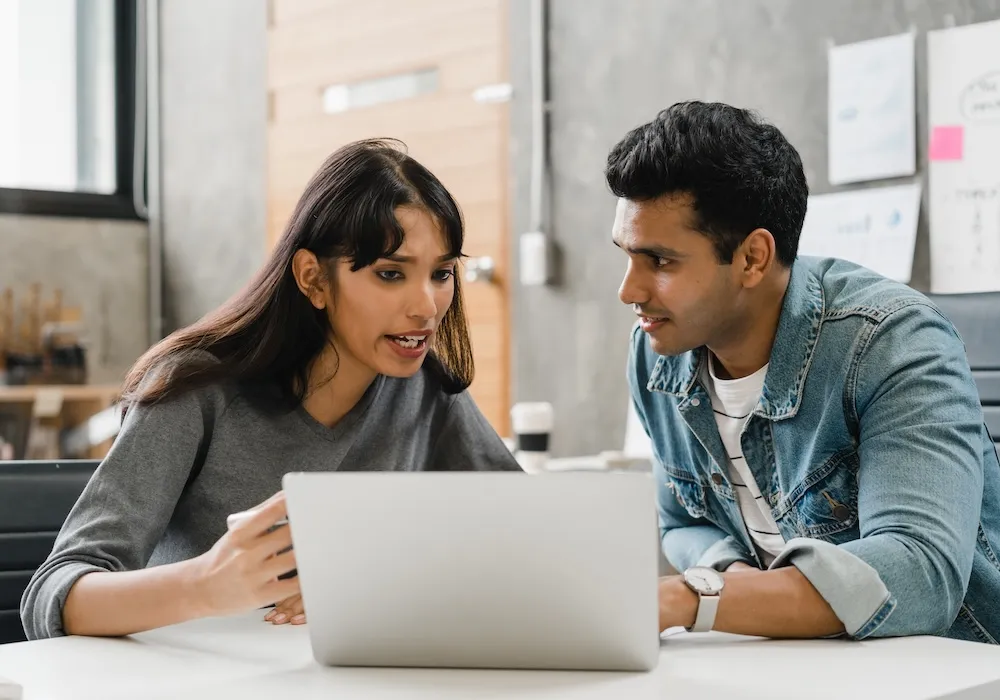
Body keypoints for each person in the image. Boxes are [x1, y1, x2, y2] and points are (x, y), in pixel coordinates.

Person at [21, 139, 521, 640]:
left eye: (441, 274)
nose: (427, 307)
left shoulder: (425, 387)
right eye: (390, 274)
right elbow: (53, 596)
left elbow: (527, 537)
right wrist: (206, 586)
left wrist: (388, 570)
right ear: (313, 278)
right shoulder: (194, 387)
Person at [608, 101, 1000, 643]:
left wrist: (692, 598)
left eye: (661, 262)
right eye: (626, 256)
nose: (628, 291)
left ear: (752, 258)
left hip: (952, 669)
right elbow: (683, 523)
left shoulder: (892, 342)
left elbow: (920, 573)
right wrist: (735, 584)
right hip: (795, 662)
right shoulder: (657, 352)